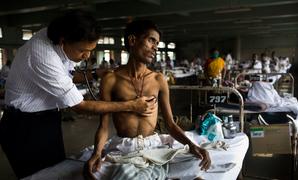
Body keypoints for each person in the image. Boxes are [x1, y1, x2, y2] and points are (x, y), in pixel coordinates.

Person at [0, 10, 157, 179]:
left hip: (46, 119)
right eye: (83, 50)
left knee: (57, 170)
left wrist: (96, 73)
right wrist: (132, 105)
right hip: (25, 127)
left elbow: (66, 75)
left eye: (91, 50)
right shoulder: (43, 55)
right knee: (41, 176)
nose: (87, 55)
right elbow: (80, 107)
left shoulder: (56, 38)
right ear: (63, 42)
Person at [84, 20, 211, 180]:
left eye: (157, 43)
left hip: (153, 147)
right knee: (100, 171)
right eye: (151, 40)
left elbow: (170, 124)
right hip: (125, 148)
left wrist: (193, 146)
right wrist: (96, 153)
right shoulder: (111, 79)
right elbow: (103, 126)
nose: (155, 47)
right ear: (132, 40)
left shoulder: (158, 80)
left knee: (195, 161)